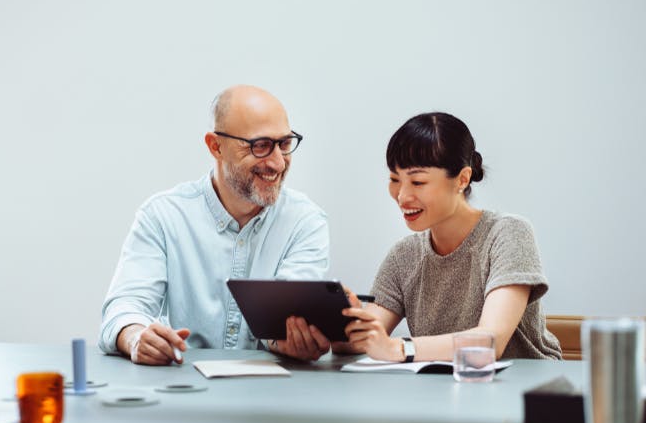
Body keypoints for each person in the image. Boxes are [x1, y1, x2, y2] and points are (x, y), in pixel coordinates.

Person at [98, 85, 334, 365]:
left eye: (284, 144)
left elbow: (289, 323)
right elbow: (124, 308)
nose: (277, 163)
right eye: (260, 146)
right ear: (215, 146)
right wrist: (136, 336)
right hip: (183, 389)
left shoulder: (305, 222)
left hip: (271, 396)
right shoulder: (162, 216)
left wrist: (294, 339)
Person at [341, 112, 561, 361]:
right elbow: (366, 341)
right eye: (394, 179)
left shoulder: (508, 233)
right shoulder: (404, 256)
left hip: (524, 390)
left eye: (418, 182)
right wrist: (347, 320)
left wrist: (399, 348)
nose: (401, 196)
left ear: (462, 179)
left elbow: (490, 341)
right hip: (448, 394)